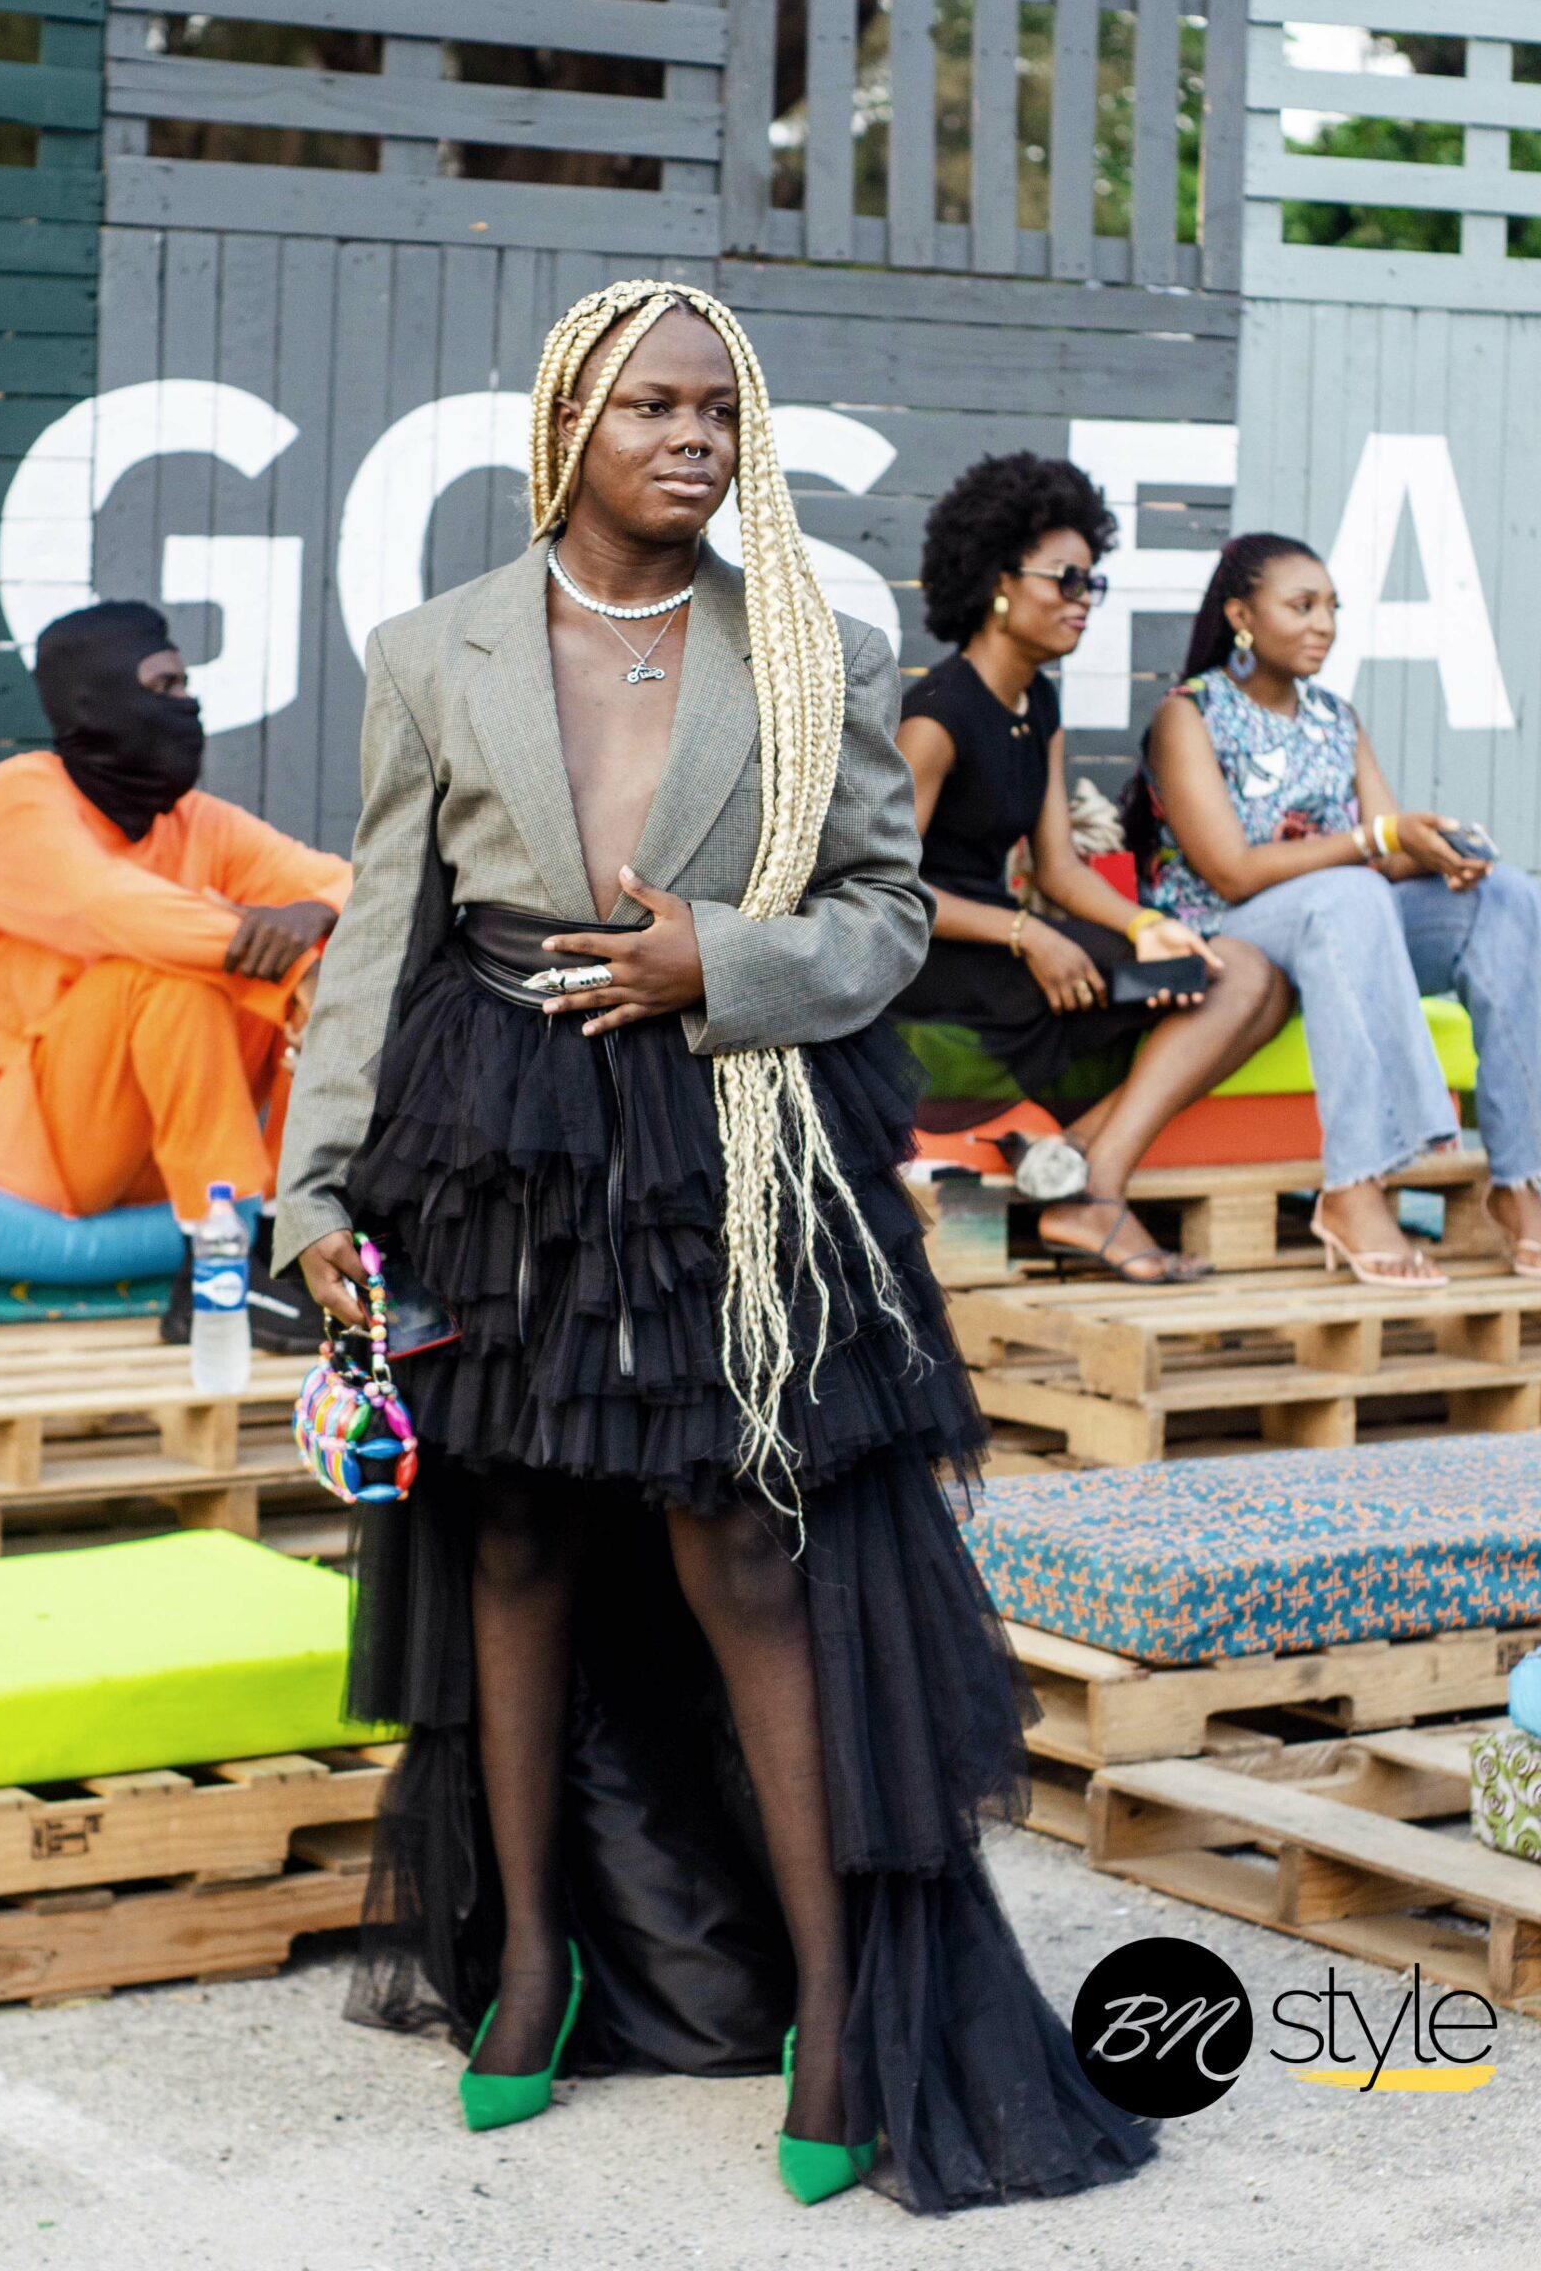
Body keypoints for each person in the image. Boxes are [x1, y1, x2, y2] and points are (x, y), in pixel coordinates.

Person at [277, 283, 1154, 2212]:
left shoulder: (815, 639)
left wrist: (721, 963)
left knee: (749, 1546)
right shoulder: (434, 649)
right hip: (491, 1130)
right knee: (511, 1536)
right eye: (648, 406)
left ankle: (832, 2010)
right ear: (565, 428)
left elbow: (885, 916)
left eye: (716, 408)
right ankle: (531, 1963)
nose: (691, 437)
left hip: (727, 1135)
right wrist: (314, 1188)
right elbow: (378, 936)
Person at [891, 452, 1286, 1282]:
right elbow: (884, 888)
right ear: (998, 580)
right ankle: (1094, 1193)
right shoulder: (938, 715)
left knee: (1249, 976)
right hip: (941, 960)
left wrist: (1146, 926)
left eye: (1091, 582)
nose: (1083, 600)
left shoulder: (1037, 699)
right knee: (1238, 976)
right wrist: (1030, 935)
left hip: (1008, 943)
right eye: (1065, 579)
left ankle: (1072, 1164)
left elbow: (1061, 870)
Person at [0, 600, 351, 1347]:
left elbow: (353, 885)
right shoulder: (21, 797)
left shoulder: (193, 820)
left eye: (186, 684)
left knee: (332, 972)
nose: (188, 704)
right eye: (163, 687)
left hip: (159, 1147)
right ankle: (212, 1282)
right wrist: (293, 967)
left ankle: (283, 1239)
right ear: (95, 703)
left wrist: (316, 915)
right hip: (28, 1139)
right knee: (168, 973)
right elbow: (115, 909)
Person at [1127, 531, 1541, 1287]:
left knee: (1506, 895)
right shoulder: (1189, 714)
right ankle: (1354, 1185)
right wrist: (1374, 841)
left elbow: (1385, 850)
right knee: (1352, 890)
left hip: (1343, 923)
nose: (1323, 624)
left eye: (1332, 608)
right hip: (1228, 934)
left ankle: (1519, 1181)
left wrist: (1435, 848)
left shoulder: (1335, 717)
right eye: (1302, 606)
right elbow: (1231, 872)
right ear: (1241, 616)